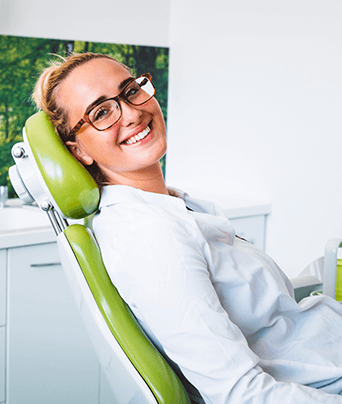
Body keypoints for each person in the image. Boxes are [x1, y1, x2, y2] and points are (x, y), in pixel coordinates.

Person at [33, 52, 342, 403]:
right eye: (102, 112)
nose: (132, 113)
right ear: (78, 151)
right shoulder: (150, 236)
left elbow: (265, 310)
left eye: (131, 90)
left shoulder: (169, 206)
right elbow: (242, 394)